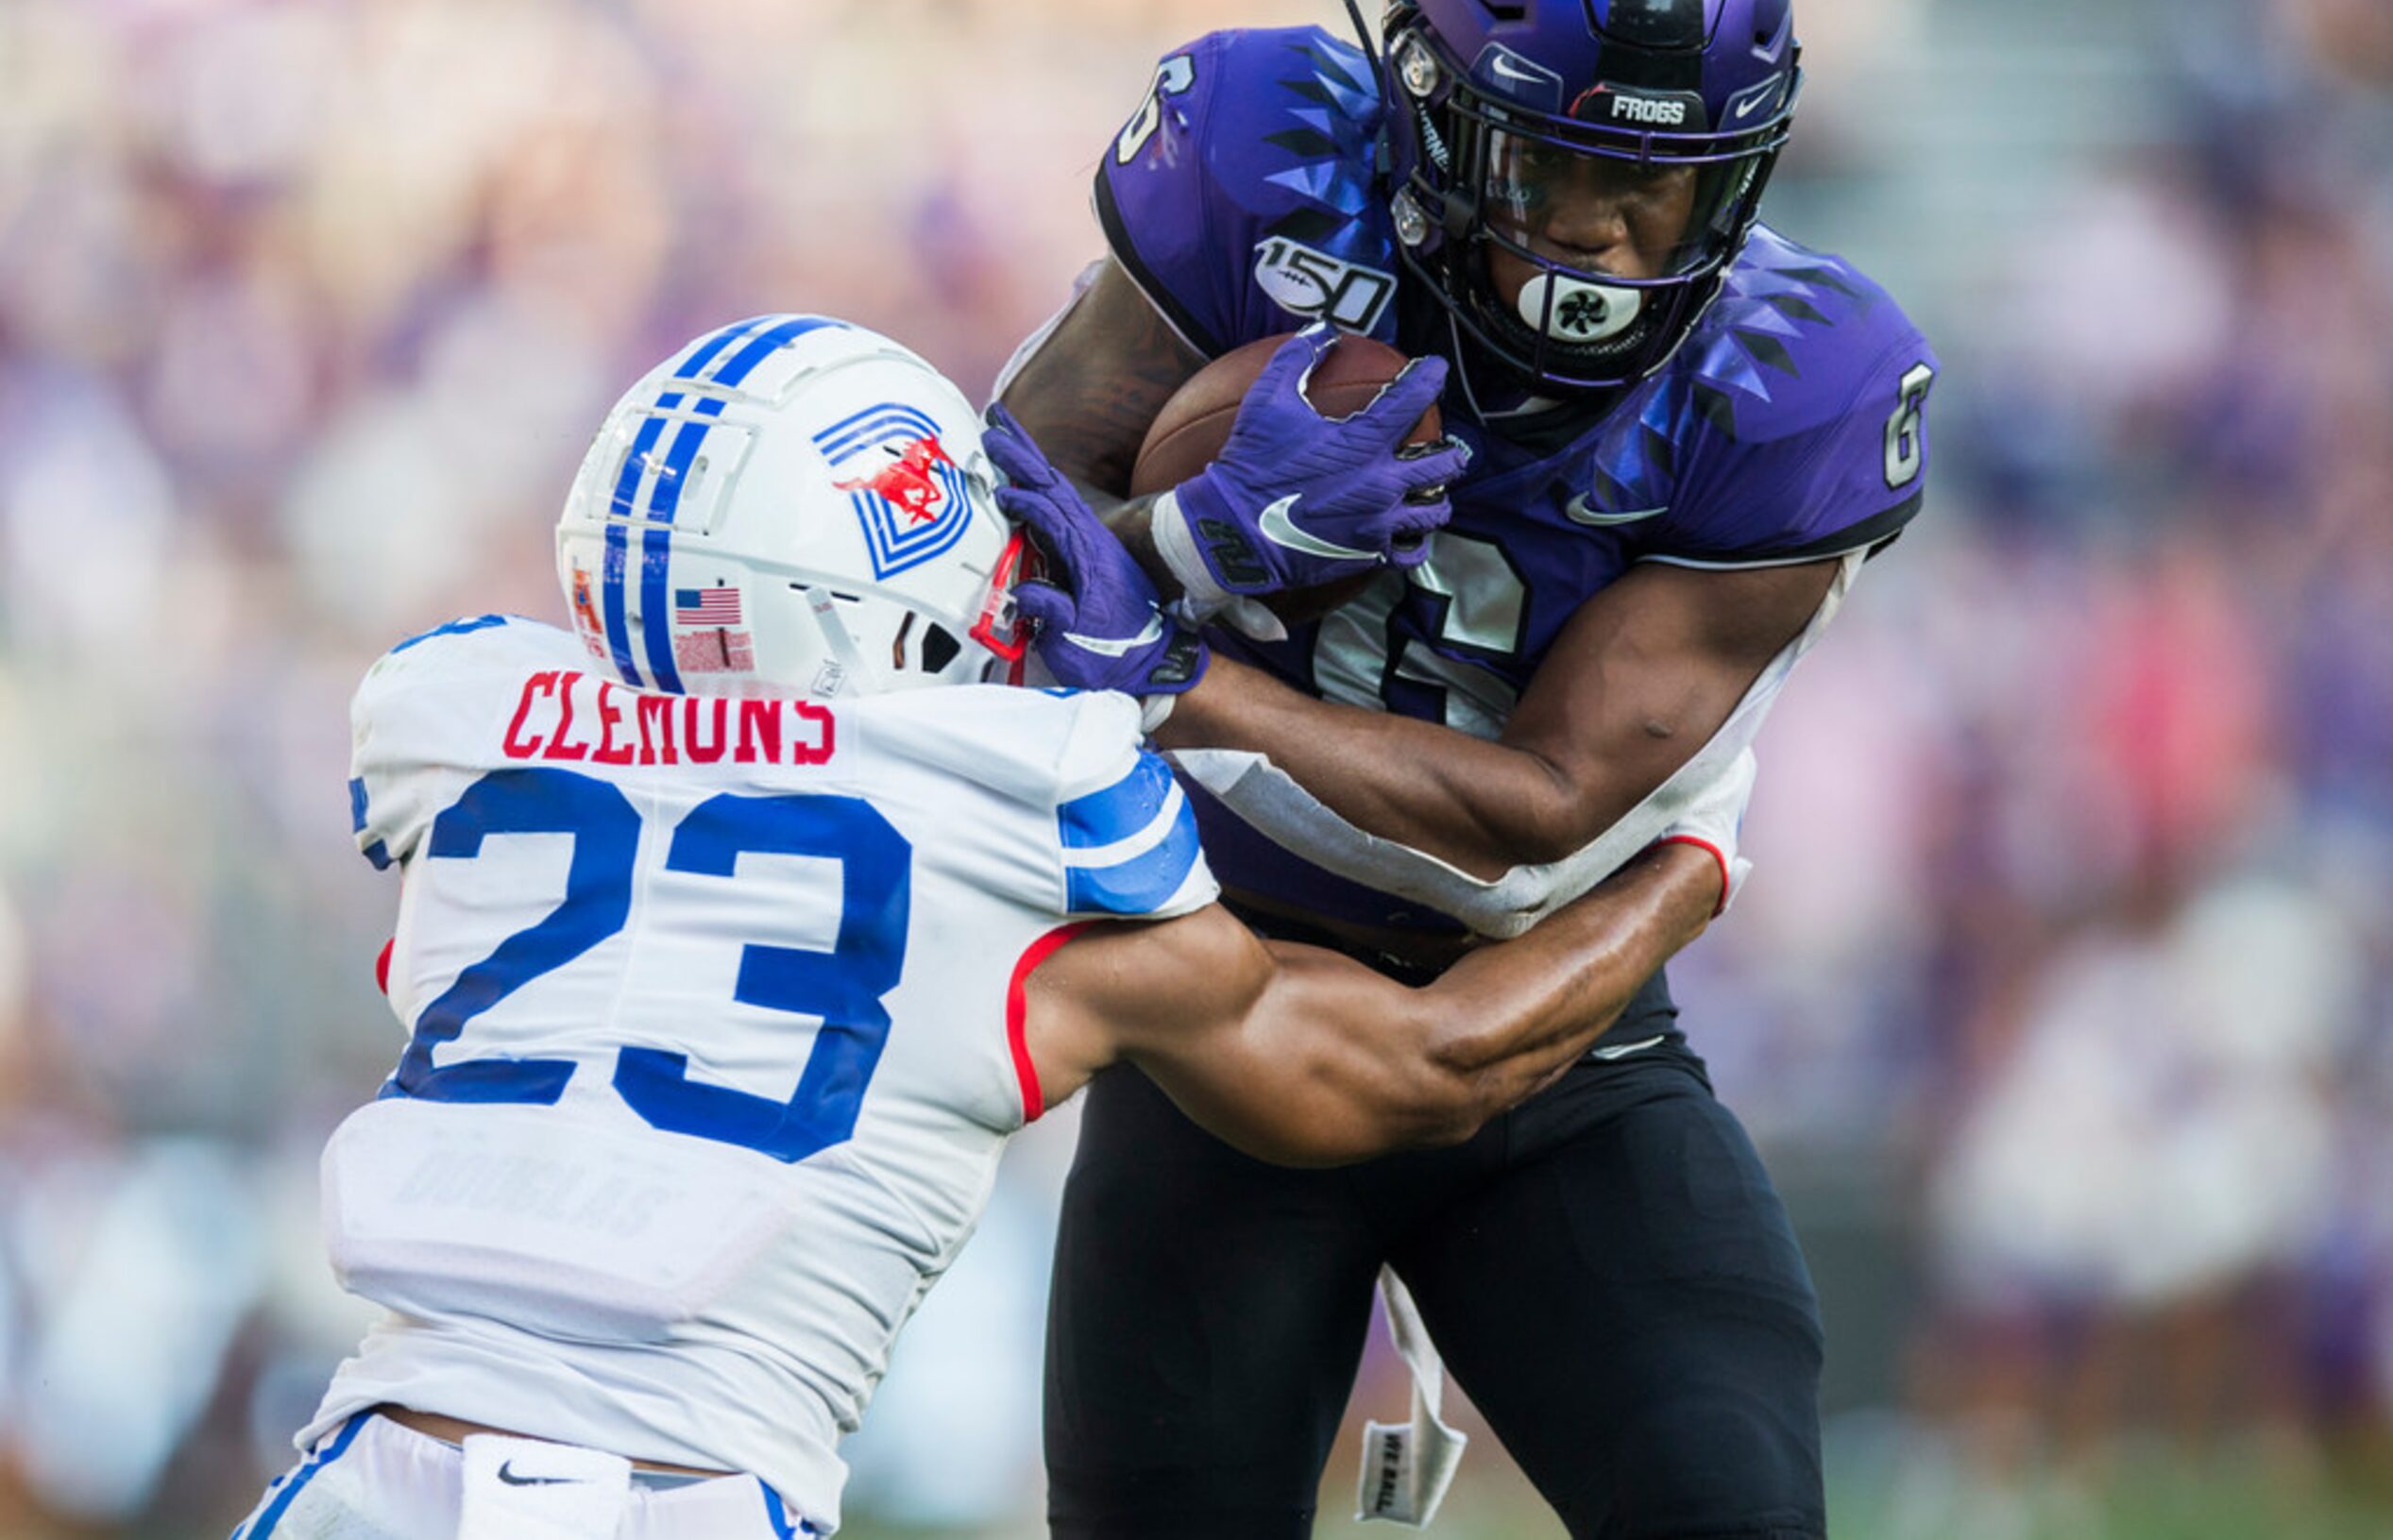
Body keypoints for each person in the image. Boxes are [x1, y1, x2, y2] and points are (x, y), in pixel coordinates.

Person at [234, 313, 1751, 1540]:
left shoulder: (458, 730)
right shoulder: (1007, 819)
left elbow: (786, 723)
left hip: (361, 1478)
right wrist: (1684, 857)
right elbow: (1417, 1065)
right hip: (682, 1495)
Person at [992, 0, 1939, 1540]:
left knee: (1728, 1507)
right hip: (1217, 1005)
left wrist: (1176, 662)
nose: (1608, 239)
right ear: (1424, 103)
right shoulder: (1265, 170)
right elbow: (989, 539)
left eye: (1669, 188)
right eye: (1568, 167)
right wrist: (1182, 547)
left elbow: (1540, 802)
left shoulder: (1793, 381)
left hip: (1556, 1046)